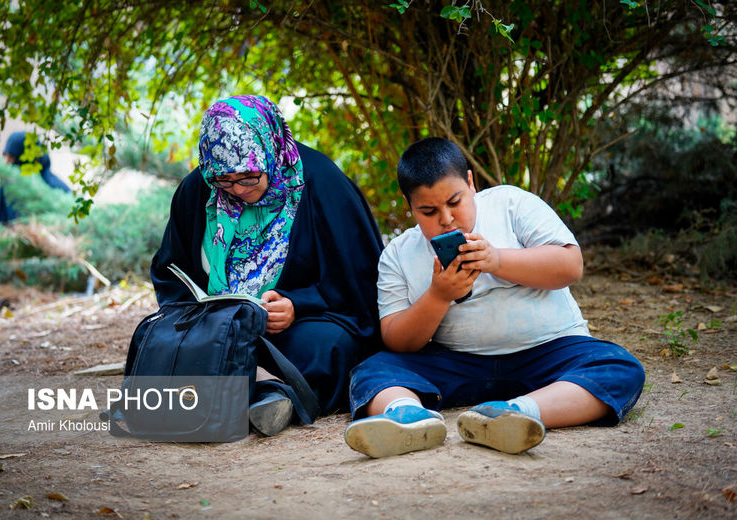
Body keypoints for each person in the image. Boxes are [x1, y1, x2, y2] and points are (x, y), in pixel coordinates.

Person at [344, 137, 645, 458]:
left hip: (549, 352)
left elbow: (570, 265)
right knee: (372, 370)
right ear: (410, 206)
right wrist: (439, 295)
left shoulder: (512, 205)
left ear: (471, 183)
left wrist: (497, 260)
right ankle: (409, 418)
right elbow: (396, 340)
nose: (446, 219)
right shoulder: (398, 254)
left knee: (620, 368)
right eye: (429, 211)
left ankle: (515, 413)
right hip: (460, 363)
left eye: (455, 201)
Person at [150, 95, 383, 436]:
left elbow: (358, 279)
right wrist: (199, 315)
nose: (237, 190)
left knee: (328, 345)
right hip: (218, 329)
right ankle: (266, 390)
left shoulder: (321, 182)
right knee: (162, 337)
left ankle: (248, 387)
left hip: (294, 328)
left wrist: (296, 304)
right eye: (224, 181)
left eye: (248, 178)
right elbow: (170, 271)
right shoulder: (198, 189)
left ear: (269, 149)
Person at [0, 131, 71, 229]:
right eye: (5, 156)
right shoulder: (2, 189)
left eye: (12, 158)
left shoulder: (57, 191)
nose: (6, 163)